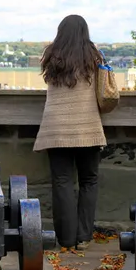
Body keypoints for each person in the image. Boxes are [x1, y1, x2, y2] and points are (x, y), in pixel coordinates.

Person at [33, 14, 107, 251]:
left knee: (62, 181)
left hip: (56, 127)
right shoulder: (93, 55)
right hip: (87, 126)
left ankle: (65, 239)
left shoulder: (51, 56)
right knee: (89, 180)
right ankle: (84, 237)